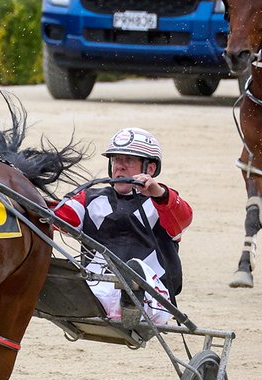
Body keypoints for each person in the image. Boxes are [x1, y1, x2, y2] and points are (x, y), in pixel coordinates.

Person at [53, 128, 193, 325]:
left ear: (150, 169)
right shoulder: (89, 198)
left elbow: (184, 218)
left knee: (132, 273)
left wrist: (158, 192)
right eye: (116, 160)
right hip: (95, 294)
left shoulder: (164, 203)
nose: (120, 167)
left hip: (152, 298)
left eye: (128, 160)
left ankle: (130, 301)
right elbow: (52, 217)